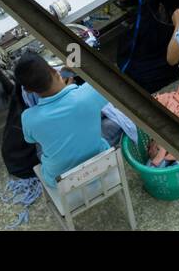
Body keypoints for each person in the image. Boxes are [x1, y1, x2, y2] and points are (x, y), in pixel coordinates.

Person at [14, 53, 124, 186]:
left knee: (41, 141)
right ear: (55, 70)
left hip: (61, 183)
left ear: (28, 90)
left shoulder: (28, 118)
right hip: (101, 166)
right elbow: (112, 76)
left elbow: (30, 140)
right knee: (111, 120)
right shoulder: (89, 93)